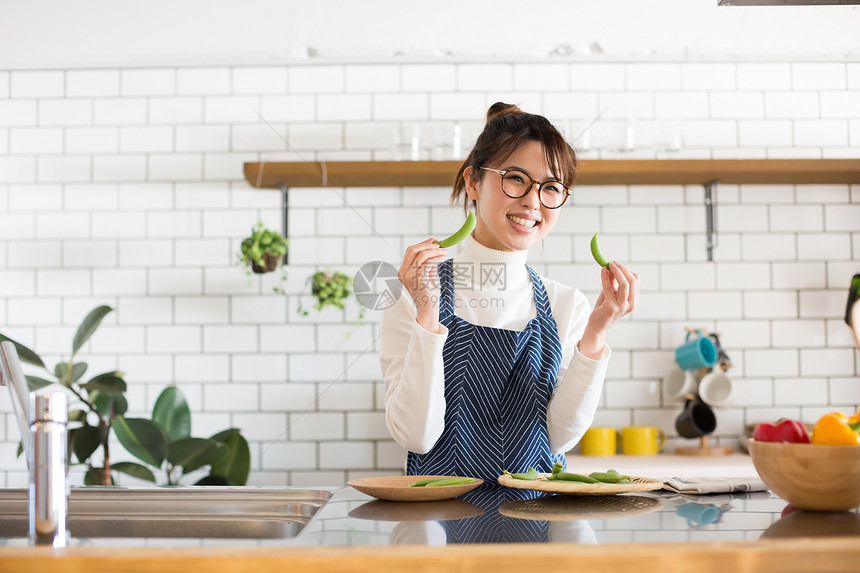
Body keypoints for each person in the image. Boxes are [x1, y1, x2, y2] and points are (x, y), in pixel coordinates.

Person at [379, 102, 639, 482]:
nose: (533, 201)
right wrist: (427, 317)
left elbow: (559, 438)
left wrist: (595, 336)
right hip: (438, 528)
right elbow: (417, 437)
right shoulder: (413, 293)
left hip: (539, 525)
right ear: (472, 182)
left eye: (551, 187)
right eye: (516, 178)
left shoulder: (567, 304)